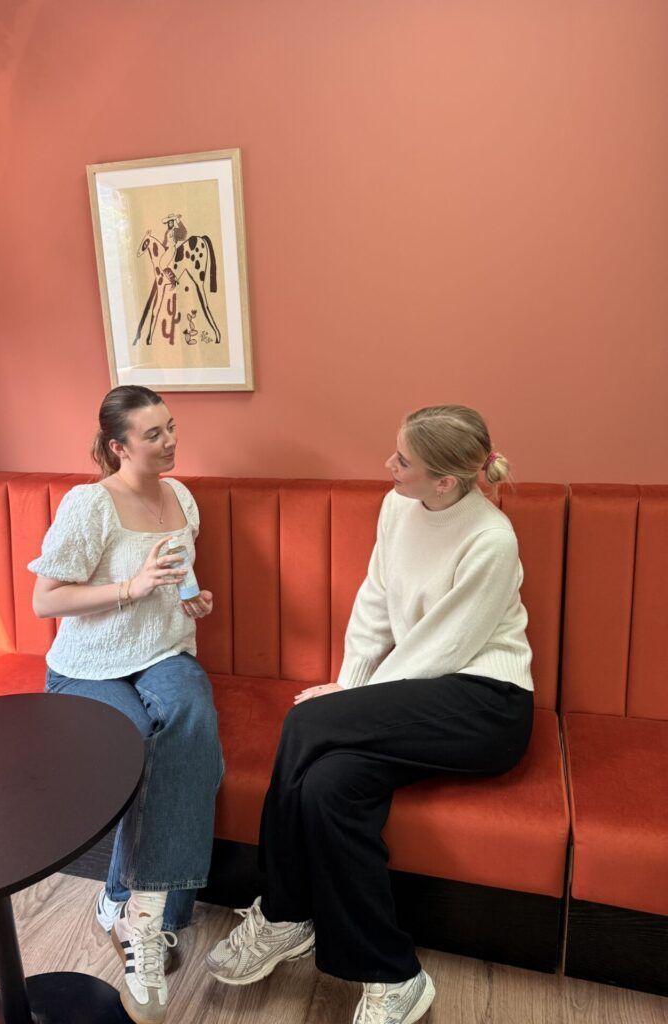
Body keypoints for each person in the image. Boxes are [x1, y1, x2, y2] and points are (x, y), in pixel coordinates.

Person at [205, 405, 534, 1024]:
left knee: (305, 722)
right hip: (412, 694)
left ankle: (281, 912)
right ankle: (394, 974)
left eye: (402, 460)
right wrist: (349, 684)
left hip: (484, 703)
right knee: (330, 788)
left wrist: (352, 705)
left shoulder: (491, 538)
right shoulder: (396, 509)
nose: (389, 465)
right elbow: (376, 601)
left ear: (445, 481)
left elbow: (447, 644)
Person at [28, 384, 223, 1024]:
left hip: (165, 651)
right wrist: (131, 587)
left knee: (190, 722)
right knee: (133, 736)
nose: (170, 441)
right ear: (118, 446)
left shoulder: (182, 497)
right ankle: (145, 911)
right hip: (88, 663)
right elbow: (45, 601)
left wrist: (191, 602)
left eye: (171, 427)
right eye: (154, 434)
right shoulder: (90, 505)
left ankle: (132, 908)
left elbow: (179, 587)